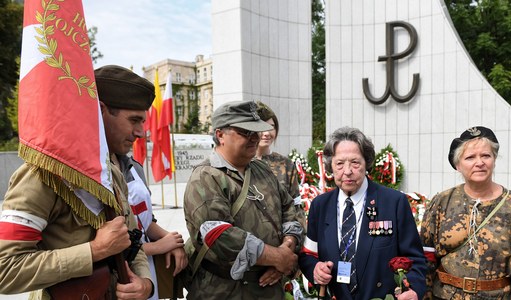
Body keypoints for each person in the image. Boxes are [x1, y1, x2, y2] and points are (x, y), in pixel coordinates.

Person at [0, 65, 155, 299]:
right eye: (134, 120)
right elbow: (6, 269)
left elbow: (133, 242)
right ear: (100, 111)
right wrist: (94, 251)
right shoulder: (42, 175)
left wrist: (145, 283)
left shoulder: (113, 175)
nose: (140, 132)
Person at [183, 100, 304, 299]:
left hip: (268, 289)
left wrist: (288, 246)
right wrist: (277, 257)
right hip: (226, 292)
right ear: (220, 135)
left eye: (256, 132)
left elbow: (290, 207)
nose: (254, 138)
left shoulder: (261, 169)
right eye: (245, 132)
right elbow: (218, 235)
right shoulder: (206, 177)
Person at [298, 126, 427, 300]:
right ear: (331, 166)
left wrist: (413, 289)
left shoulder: (394, 202)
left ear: (366, 163)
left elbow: (415, 258)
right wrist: (315, 269)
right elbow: (308, 255)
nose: (348, 171)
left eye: (355, 162)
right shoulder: (320, 206)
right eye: (340, 164)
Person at [420, 126, 511, 299]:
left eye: (485, 156)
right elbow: (425, 257)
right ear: (458, 165)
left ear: (494, 159)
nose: (479, 162)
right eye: (470, 157)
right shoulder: (442, 202)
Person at [126, 158, 188, 299]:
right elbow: (109, 246)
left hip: (146, 266)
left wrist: (172, 241)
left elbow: (145, 220)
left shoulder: (135, 167)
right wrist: (158, 246)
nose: (139, 134)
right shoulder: (94, 173)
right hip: (123, 271)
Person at [255, 101, 301, 200]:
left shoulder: (286, 164)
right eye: (261, 127)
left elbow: (296, 205)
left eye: (271, 126)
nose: (267, 133)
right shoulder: (241, 163)